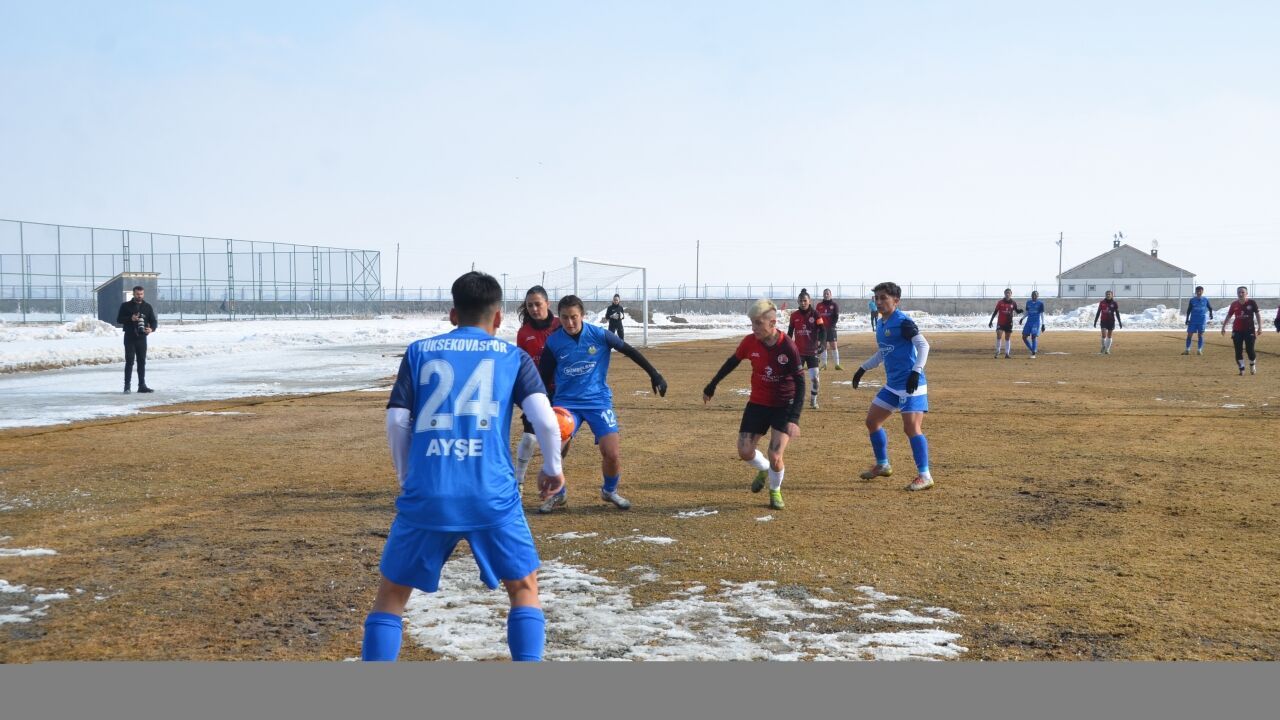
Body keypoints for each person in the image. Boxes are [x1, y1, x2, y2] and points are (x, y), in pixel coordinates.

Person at [363, 271, 565, 663]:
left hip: (429, 492)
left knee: (391, 595)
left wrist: (408, 477)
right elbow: (544, 418)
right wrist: (553, 467)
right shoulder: (513, 357)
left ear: (453, 315)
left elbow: (396, 421)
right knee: (524, 588)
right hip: (492, 494)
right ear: (499, 318)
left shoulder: (419, 352)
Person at [536, 294, 667, 513]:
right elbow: (543, 375)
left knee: (612, 453)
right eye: (565, 317)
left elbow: (629, 351)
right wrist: (545, 405)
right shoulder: (554, 342)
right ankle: (558, 494)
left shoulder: (599, 335)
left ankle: (609, 491)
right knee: (554, 450)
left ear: (583, 315)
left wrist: (654, 374)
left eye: (574, 317)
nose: (569, 322)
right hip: (566, 404)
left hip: (598, 402)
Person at [702, 299, 805, 511]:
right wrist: (712, 385)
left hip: (784, 405)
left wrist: (794, 418)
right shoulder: (750, 342)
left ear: (772, 322)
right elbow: (732, 362)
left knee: (775, 455)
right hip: (758, 403)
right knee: (745, 451)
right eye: (752, 323)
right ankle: (764, 469)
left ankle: (775, 490)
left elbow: (800, 382)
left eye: (758, 323)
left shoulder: (788, 347)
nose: (754, 328)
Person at [853, 282, 933, 491]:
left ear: (896, 301)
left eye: (883, 298)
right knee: (872, 421)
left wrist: (916, 372)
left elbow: (923, 345)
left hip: (912, 385)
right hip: (893, 386)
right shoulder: (881, 324)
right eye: (876, 298)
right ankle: (883, 465)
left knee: (911, 428)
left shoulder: (903, 322)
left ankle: (925, 476)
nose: (878, 302)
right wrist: (862, 369)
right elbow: (884, 351)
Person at [513, 286, 562, 493]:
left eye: (538, 304)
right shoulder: (524, 333)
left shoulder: (561, 325)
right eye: (530, 305)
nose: (534, 309)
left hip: (561, 390)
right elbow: (520, 364)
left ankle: (555, 475)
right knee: (529, 437)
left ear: (547, 304)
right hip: (536, 391)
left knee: (561, 437)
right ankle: (518, 481)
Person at [115, 285, 157, 393]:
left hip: (142, 338)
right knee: (129, 362)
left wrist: (151, 329)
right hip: (129, 337)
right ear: (133, 294)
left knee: (141, 361)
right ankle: (127, 386)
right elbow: (119, 319)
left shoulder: (147, 306)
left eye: (141, 294)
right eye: (137, 294)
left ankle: (142, 385)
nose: (139, 296)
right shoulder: (125, 306)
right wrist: (130, 318)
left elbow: (153, 321)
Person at [787, 289, 822, 409]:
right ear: (798, 302)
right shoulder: (794, 316)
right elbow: (789, 333)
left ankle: (813, 400)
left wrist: (822, 343)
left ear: (809, 301)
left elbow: (823, 330)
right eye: (800, 301)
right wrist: (786, 346)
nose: (803, 303)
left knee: (815, 379)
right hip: (798, 353)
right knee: (795, 379)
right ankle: (794, 401)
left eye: (805, 301)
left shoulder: (816, 314)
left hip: (812, 352)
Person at [1221, 286, 1262, 376]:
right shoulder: (1234, 304)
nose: (1240, 294)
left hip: (1249, 330)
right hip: (1237, 331)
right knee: (1238, 350)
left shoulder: (1252, 303)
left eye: (1242, 292)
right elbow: (1229, 315)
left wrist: (1260, 327)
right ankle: (1241, 368)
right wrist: (1223, 327)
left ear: (1246, 293)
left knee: (1249, 350)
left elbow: (1257, 314)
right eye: (1239, 292)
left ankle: (1252, 364)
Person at [988, 288, 1022, 359]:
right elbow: (995, 312)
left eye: (1009, 293)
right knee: (999, 335)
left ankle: (1007, 353)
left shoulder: (1013, 303)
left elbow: (1016, 311)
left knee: (1007, 337)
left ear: (1011, 294)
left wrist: (1020, 311)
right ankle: (997, 351)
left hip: (1009, 323)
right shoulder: (1000, 302)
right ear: (1004, 294)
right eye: (1006, 293)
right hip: (1000, 322)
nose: (1007, 294)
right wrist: (991, 321)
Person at [1183, 286, 1214, 356]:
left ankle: (1199, 350)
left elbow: (1210, 307)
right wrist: (1187, 319)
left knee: (1200, 335)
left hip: (1201, 320)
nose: (1199, 292)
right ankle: (1187, 350)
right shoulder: (1192, 300)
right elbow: (1189, 310)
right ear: (1195, 292)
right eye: (1197, 291)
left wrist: (1211, 314)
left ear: (1202, 291)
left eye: (1200, 291)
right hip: (1193, 319)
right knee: (1189, 334)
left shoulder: (1205, 299)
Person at [816, 288, 841, 370]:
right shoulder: (819, 305)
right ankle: (824, 365)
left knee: (834, 346)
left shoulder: (834, 305)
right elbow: (816, 317)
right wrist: (819, 327)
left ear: (830, 295)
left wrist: (832, 326)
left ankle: (837, 365)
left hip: (831, 328)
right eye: (825, 294)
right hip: (822, 329)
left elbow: (836, 317)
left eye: (828, 293)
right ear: (823, 295)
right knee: (823, 346)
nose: (826, 295)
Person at [1093, 290, 1122, 354]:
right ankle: (1103, 346)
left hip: (1111, 321)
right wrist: (1095, 321)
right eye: (1107, 294)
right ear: (1105, 295)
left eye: (1109, 294)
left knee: (1109, 336)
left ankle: (1107, 350)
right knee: (1104, 335)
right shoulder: (1102, 302)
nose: (1108, 295)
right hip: (1103, 321)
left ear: (1112, 295)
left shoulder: (1114, 303)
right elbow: (1098, 312)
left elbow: (1117, 313)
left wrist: (1119, 322)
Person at [1019, 291, 1046, 358]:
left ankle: (1033, 354)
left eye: (1035, 295)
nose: (1034, 296)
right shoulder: (1028, 302)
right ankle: (1033, 350)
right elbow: (1027, 312)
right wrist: (1022, 318)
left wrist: (1043, 324)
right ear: (1031, 295)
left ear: (1038, 296)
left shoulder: (1040, 303)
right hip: (1029, 322)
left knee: (1033, 336)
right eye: (1033, 295)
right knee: (1024, 337)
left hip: (1036, 322)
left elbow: (1042, 314)